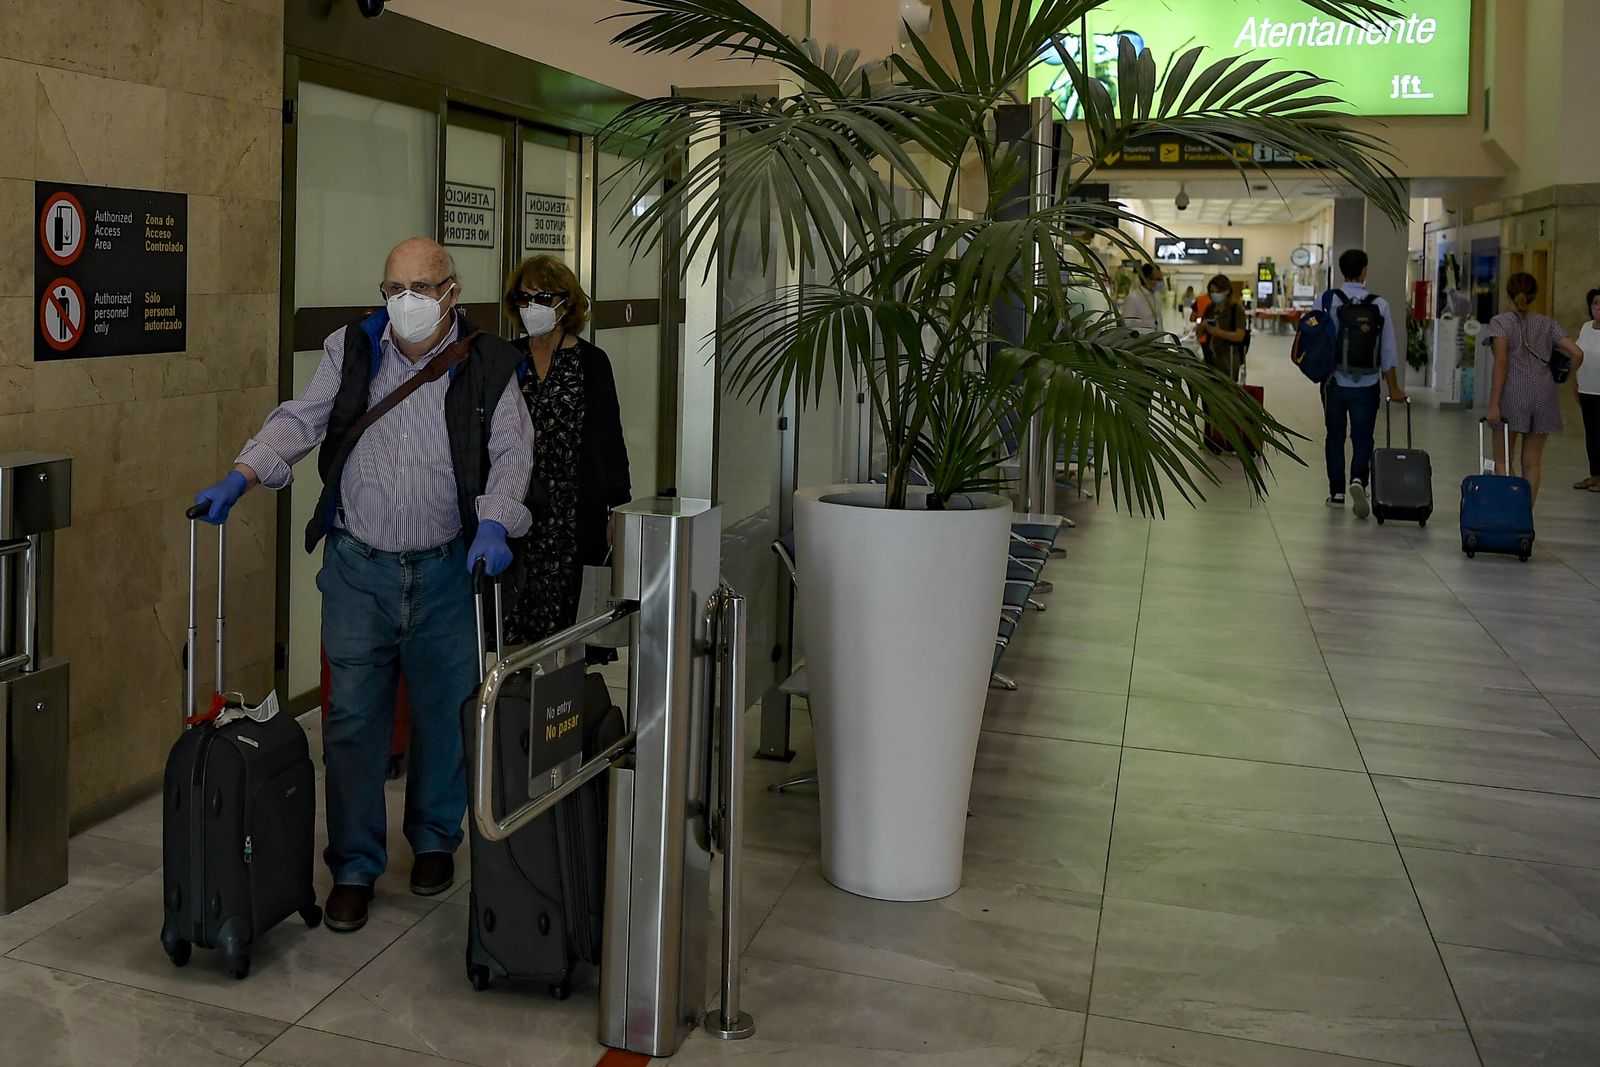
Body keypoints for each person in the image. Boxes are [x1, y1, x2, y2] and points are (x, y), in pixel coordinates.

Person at [191, 237, 533, 934]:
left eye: (419, 287)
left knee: (444, 713)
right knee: (351, 722)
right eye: (392, 289)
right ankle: (353, 863)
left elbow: (511, 452)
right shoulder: (350, 349)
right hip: (357, 566)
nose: (404, 302)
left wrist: (495, 523)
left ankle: (435, 838)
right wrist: (245, 471)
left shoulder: (491, 361)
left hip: (444, 566)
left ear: (450, 292)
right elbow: (303, 417)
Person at [501, 254, 632, 647]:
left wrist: (617, 508)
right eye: (524, 299)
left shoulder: (592, 362)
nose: (532, 308)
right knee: (516, 618)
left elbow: (610, 436)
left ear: (566, 302)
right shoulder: (506, 358)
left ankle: (564, 702)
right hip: (519, 506)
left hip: (574, 511)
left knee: (569, 620)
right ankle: (519, 693)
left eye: (543, 297)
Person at [1483, 272, 1585, 502]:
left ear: (1508, 294)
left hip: (1513, 393)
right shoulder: (1547, 323)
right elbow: (1577, 353)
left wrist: (1493, 404)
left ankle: (1511, 512)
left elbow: (1501, 363)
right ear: (1534, 295)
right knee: (1532, 463)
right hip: (1544, 394)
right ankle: (1526, 516)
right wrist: (1568, 377)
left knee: (1503, 460)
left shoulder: (1500, 322)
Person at [1320, 249, 1406, 517]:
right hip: (1367, 384)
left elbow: (1317, 340)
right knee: (1362, 438)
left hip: (1335, 381)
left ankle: (1336, 492)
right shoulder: (1379, 305)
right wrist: (1394, 387)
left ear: (1341, 269)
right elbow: (1388, 351)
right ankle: (1358, 480)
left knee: (1335, 437)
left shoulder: (1328, 300)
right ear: (1364, 270)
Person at [1572, 287, 1600, 491]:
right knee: (1591, 434)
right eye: (1595, 303)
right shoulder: (1586, 327)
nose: (1598, 308)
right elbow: (1577, 355)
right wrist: (1575, 385)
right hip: (1586, 390)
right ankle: (1595, 474)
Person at [1196, 274, 1247, 381]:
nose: (1214, 295)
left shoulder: (1236, 310)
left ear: (1226, 291)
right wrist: (1203, 324)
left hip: (1228, 359)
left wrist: (1218, 332)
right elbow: (1199, 334)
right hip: (1209, 358)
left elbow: (1240, 336)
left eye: (1217, 292)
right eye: (1212, 292)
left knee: (1226, 391)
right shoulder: (1210, 308)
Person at [1120, 262, 1165, 335]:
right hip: (1140, 342)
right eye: (1158, 279)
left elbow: (1159, 321)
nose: (1161, 282)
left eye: (1161, 279)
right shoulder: (1133, 298)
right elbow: (1126, 325)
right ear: (1146, 280)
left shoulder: (1157, 296)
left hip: (1156, 340)